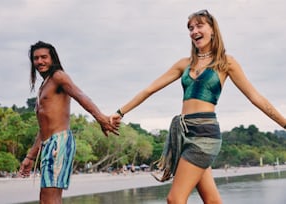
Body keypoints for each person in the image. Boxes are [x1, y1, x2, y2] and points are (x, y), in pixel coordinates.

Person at [110, 10, 286, 204]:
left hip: (204, 135)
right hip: (183, 134)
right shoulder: (184, 64)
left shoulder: (226, 63)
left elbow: (256, 98)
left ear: (212, 30)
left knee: (175, 199)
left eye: (199, 25)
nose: (194, 31)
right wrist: (120, 112)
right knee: (212, 200)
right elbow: (149, 89)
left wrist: (284, 124)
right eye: (190, 28)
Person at [19, 41, 119, 204]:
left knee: (50, 198)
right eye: (36, 58)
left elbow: (80, 95)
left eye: (44, 57)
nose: (39, 61)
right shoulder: (43, 87)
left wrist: (101, 118)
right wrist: (30, 157)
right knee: (45, 198)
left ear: (52, 59)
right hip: (47, 144)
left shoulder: (58, 76)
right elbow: (43, 129)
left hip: (59, 143)